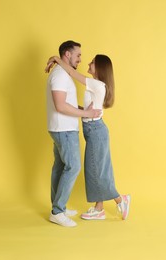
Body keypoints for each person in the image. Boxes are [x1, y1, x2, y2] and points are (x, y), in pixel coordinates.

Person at [45, 53, 131, 221]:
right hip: (94, 129)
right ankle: (99, 208)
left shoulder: (96, 84)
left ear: (99, 68)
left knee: (96, 171)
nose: (89, 63)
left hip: (95, 130)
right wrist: (80, 110)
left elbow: (71, 72)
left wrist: (57, 59)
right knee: (96, 170)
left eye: (93, 62)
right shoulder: (96, 86)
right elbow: (86, 111)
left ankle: (121, 199)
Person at [46, 40, 102, 227]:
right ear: (67, 54)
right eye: (78, 55)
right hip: (64, 129)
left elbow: (65, 103)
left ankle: (57, 206)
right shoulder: (60, 75)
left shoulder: (63, 73)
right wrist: (87, 113)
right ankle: (57, 211)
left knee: (60, 167)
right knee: (73, 167)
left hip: (61, 127)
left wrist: (79, 108)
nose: (80, 59)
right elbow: (60, 105)